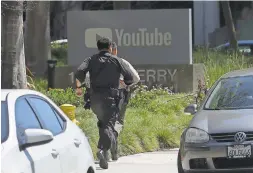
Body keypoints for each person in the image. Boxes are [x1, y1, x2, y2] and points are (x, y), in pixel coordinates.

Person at [74, 37, 135, 169]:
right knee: (109, 125)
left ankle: (106, 151)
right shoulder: (117, 60)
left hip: (94, 99)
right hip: (111, 99)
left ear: (98, 47)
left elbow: (79, 72)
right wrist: (125, 83)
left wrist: (79, 87)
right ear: (110, 48)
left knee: (103, 124)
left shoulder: (90, 59)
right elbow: (130, 78)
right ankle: (102, 150)